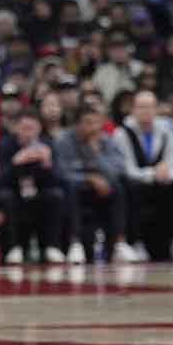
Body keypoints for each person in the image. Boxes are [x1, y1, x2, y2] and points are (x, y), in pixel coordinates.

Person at [55, 106, 136, 263]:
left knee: (119, 186)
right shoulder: (64, 140)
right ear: (77, 124)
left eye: (96, 123)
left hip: (102, 188)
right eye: (88, 123)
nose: (93, 127)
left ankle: (120, 243)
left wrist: (97, 154)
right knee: (72, 188)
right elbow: (63, 173)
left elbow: (118, 169)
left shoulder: (105, 140)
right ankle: (75, 243)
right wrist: (89, 178)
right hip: (77, 189)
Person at [113, 89, 173, 261]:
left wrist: (167, 175)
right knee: (133, 189)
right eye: (141, 107)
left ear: (156, 109)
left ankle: (171, 242)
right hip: (135, 182)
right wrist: (153, 174)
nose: (146, 111)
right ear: (134, 109)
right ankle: (136, 242)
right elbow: (127, 169)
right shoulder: (122, 133)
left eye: (150, 107)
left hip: (160, 181)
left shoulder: (167, 131)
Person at [0, 110, 66, 264]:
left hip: (40, 194)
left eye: (31, 128)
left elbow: (59, 180)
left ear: (39, 129)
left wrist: (48, 164)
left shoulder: (48, 144)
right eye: (24, 128)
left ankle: (51, 246)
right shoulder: (5, 145)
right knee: (6, 197)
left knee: (56, 195)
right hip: (15, 194)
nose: (27, 133)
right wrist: (15, 162)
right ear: (16, 129)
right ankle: (14, 247)